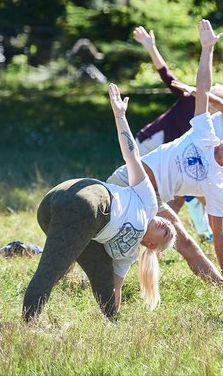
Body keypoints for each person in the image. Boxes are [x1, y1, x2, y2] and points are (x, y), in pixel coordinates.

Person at [107, 20, 223, 288]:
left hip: (154, 200)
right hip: (129, 183)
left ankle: (222, 286)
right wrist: (207, 49)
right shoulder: (204, 132)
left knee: (185, 241)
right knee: (101, 231)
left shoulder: (221, 184)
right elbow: (203, 89)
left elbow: (219, 232)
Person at [23, 84, 176, 321]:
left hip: (75, 218)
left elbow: (115, 287)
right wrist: (120, 115)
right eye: (167, 225)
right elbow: (132, 157)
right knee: (51, 269)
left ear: (152, 246)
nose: (167, 225)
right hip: (90, 202)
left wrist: (113, 311)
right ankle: (28, 323)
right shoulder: (148, 203)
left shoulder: (128, 254)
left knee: (87, 270)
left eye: (166, 234)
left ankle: (111, 321)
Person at [132, 25, 223, 153]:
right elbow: (166, 74)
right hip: (150, 141)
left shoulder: (212, 123)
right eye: (212, 100)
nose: (212, 107)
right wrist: (151, 47)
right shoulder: (190, 99)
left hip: (166, 152)